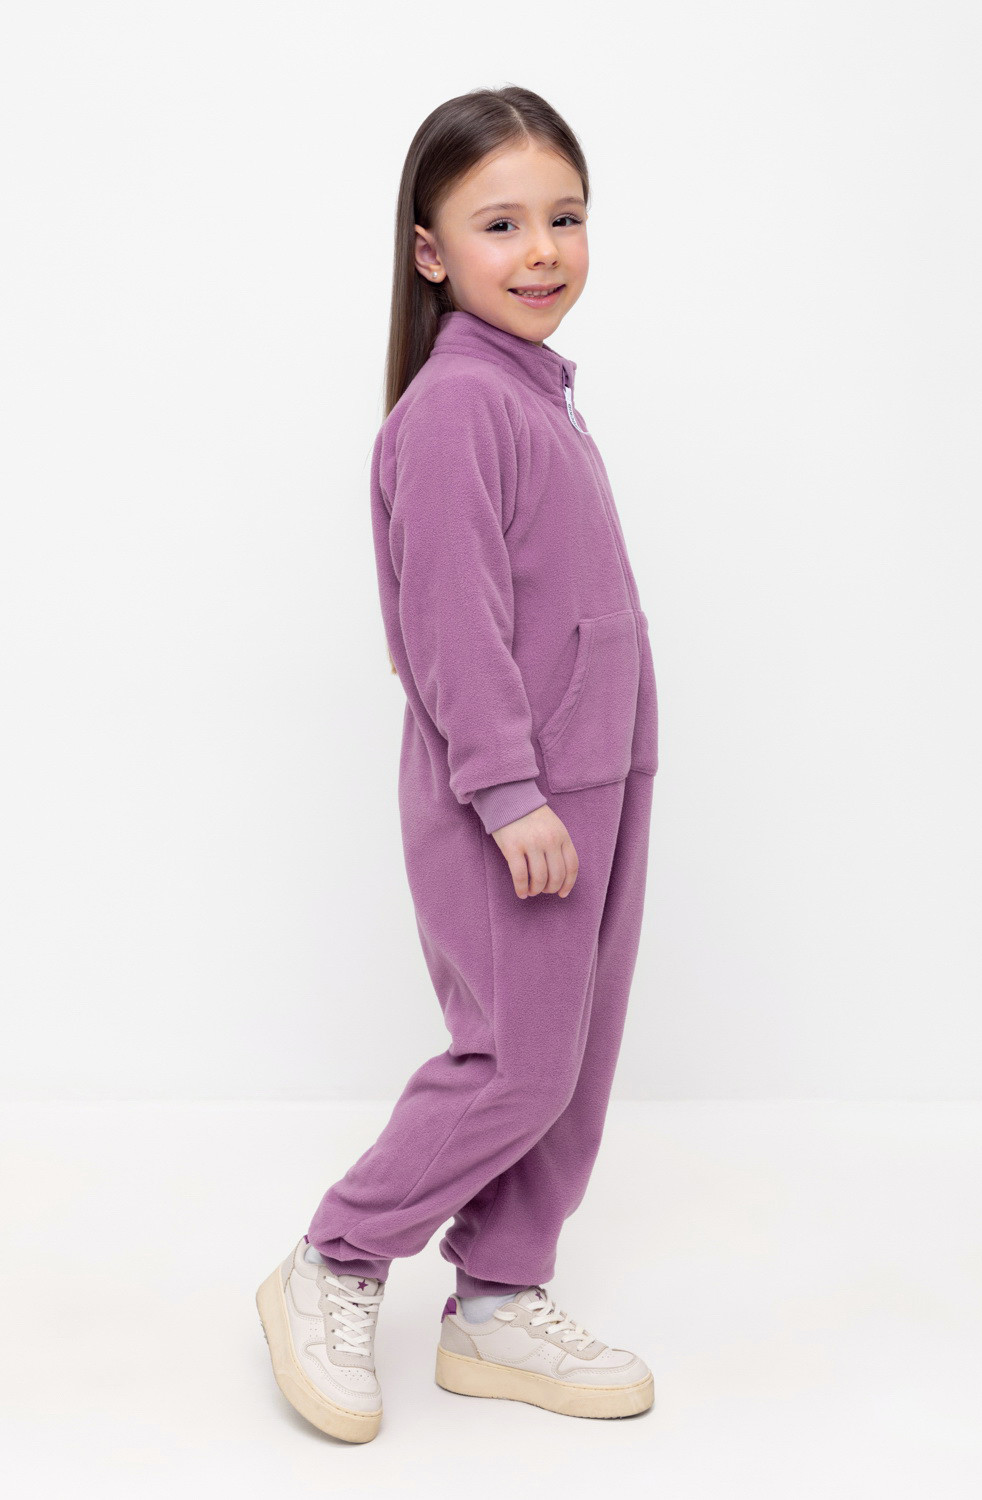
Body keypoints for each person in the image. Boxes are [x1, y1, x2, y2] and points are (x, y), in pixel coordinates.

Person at [256, 84, 660, 1442]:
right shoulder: (455, 410)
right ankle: (334, 1257)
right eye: (502, 224)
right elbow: (451, 626)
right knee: (514, 1065)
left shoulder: (537, 395)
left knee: (570, 1066)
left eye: (566, 218)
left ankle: (497, 1300)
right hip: (518, 801)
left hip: (595, 780)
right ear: (430, 251)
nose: (542, 250)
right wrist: (506, 790)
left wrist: (596, 769)